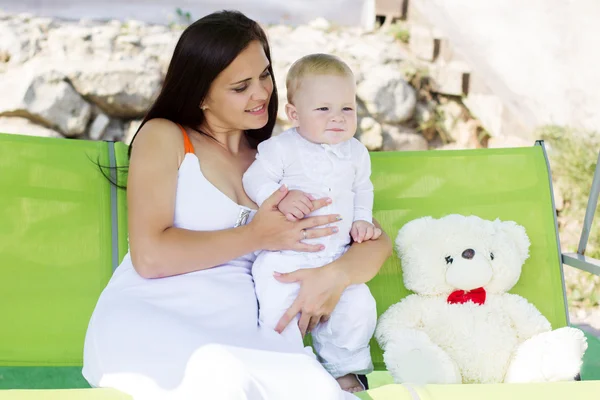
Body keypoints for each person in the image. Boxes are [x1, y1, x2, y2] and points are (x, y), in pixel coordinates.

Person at [82, 10, 391, 400]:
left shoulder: (281, 153)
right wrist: (256, 235)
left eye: (264, 75)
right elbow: (151, 257)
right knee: (219, 376)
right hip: (158, 313)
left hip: (249, 328)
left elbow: (375, 239)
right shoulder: (167, 138)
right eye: (240, 86)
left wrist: (335, 276)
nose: (261, 94)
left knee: (307, 388)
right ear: (200, 94)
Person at [243, 53, 378, 393]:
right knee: (277, 304)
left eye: (347, 108)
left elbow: (363, 188)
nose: (337, 118)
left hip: (337, 254)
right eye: (323, 109)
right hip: (288, 256)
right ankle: (285, 367)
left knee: (359, 306)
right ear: (294, 114)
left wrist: (362, 219)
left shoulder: (356, 152)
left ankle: (343, 371)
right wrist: (279, 197)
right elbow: (254, 178)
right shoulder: (282, 148)